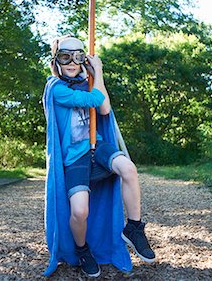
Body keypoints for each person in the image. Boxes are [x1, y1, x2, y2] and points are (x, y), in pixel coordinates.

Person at [42, 35, 155, 278]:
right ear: (57, 60)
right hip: (74, 157)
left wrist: (96, 74)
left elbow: (104, 110)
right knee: (79, 211)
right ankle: (82, 249)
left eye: (78, 56)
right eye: (65, 56)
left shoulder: (88, 81)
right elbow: (97, 100)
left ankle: (134, 228)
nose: (72, 62)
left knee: (129, 169)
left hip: (97, 146)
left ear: (84, 59)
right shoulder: (57, 89)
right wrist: (98, 74)